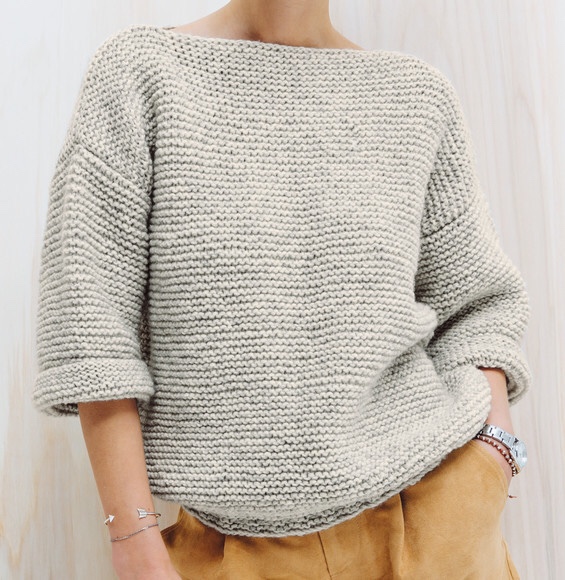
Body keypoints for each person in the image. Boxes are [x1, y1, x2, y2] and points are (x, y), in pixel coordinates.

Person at [32, 1, 531, 578]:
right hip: (232, 547)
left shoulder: (416, 96)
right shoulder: (141, 73)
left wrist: (492, 457)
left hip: (432, 521)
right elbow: (89, 328)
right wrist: (133, 537)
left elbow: (477, 305)